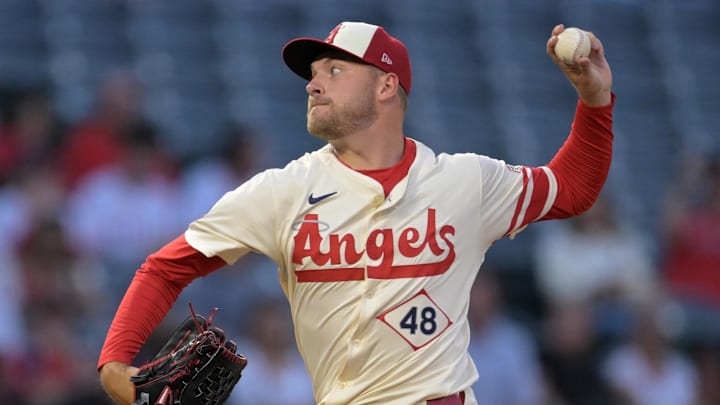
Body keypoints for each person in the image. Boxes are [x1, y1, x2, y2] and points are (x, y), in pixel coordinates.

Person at [98, 21, 614, 405]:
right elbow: (167, 267)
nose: (313, 84)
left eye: (334, 70)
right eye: (314, 74)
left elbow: (571, 188)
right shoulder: (282, 192)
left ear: (386, 86)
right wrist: (114, 362)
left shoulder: (465, 181)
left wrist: (594, 100)